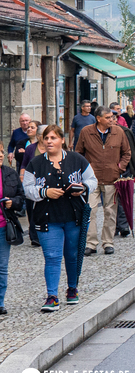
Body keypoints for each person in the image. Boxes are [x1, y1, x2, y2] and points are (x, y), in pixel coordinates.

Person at [23, 125, 98, 313]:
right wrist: (44, 192)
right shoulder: (36, 163)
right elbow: (27, 189)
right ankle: (52, 296)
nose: (49, 141)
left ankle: (72, 289)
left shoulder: (76, 159)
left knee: (72, 255)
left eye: (53, 138)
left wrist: (83, 187)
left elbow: (92, 180)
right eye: (46, 138)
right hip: (47, 218)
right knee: (52, 256)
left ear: (62, 140)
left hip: (73, 217)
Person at [75, 106, 131, 257]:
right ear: (98, 118)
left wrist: (120, 167)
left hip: (112, 178)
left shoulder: (118, 131)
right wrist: (84, 170)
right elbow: (78, 153)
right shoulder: (86, 132)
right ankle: (91, 243)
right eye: (108, 117)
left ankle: (108, 242)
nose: (111, 120)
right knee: (91, 211)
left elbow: (127, 153)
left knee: (110, 212)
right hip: (91, 179)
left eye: (112, 117)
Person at [0, 159, 25, 315]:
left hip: (3, 226)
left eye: (1, 152)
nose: (0, 155)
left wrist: (13, 202)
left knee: (2, 267)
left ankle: (0, 302)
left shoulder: (10, 174)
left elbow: (21, 198)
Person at [18, 120, 42, 246]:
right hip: (31, 181)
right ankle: (34, 237)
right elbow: (24, 164)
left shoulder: (52, 149)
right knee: (31, 208)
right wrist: (22, 176)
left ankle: (43, 232)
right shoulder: (31, 148)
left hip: (46, 183)